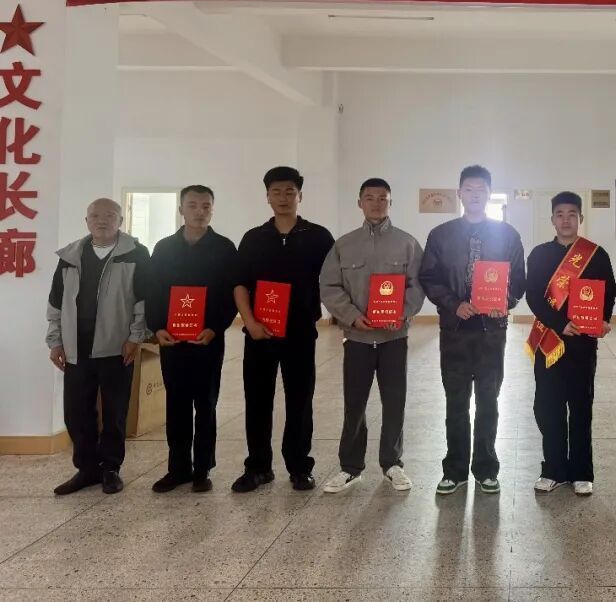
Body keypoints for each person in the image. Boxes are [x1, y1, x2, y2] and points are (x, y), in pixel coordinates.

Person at [419, 165, 526, 496]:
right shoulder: (441, 235)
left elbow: (518, 280)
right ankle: (454, 471)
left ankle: (486, 469)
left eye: (481, 189)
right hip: (455, 331)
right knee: (456, 402)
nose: (475, 194)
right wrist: (454, 304)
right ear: (460, 193)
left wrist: (504, 301)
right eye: (469, 189)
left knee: (489, 401)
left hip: (491, 331)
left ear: (489, 194)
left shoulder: (507, 235)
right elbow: (429, 277)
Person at [231, 166, 335, 493]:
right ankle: (258, 467)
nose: (283, 197)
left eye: (290, 191)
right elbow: (240, 284)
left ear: (300, 195)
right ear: (267, 197)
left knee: (300, 401)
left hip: (301, 333)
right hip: (259, 333)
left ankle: (300, 467)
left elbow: (334, 281)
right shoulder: (254, 238)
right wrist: (249, 323)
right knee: (257, 400)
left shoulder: (319, 237)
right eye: (276, 191)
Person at [320, 178, 424, 494]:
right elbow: (330, 286)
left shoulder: (407, 243)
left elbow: (418, 285)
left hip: (394, 338)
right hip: (358, 339)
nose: (376, 203)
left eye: (383, 198)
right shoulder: (344, 245)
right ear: (360, 203)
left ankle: (392, 464)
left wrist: (401, 313)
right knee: (355, 404)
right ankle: (350, 467)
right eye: (370, 198)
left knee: (394, 401)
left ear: (390, 203)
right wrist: (352, 316)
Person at [46, 198, 150, 495]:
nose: (101, 221)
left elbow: (143, 299)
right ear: (87, 221)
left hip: (117, 346)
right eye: (95, 216)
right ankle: (87, 469)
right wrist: (55, 341)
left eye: (109, 215)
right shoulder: (70, 256)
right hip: (76, 346)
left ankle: (111, 468)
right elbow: (55, 302)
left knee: (115, 412)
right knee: (76, 412)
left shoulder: (135, 254)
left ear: (120, 221)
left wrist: (135, 337)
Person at [145, 185, 238, 494]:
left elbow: (232, 293)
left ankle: (202, 469)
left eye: (206, 206)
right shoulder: (164, 248)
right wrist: (157, 327)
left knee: (206, 404)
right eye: (193, 205)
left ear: (213, 209)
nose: (200, 211)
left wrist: (216, 327)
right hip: (172, 340)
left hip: (207, 339)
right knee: (176, 403)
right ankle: (178, 468)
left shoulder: (224, 248)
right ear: (181, 209)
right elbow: (153, 290)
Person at [525, 191, 616, 496]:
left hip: (583, 344)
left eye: (572, 214)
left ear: (580, 218)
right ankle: (553, 469)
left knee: (580, 407)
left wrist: (603, 319)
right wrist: (559, 323)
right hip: (549, 342)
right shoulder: (539, 254)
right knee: (548, 406)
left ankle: (581, 471)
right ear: (552, 219)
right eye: (560, 214)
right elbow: (533, 296)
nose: (566, 220)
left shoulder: (596, 254)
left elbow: (608, 291)